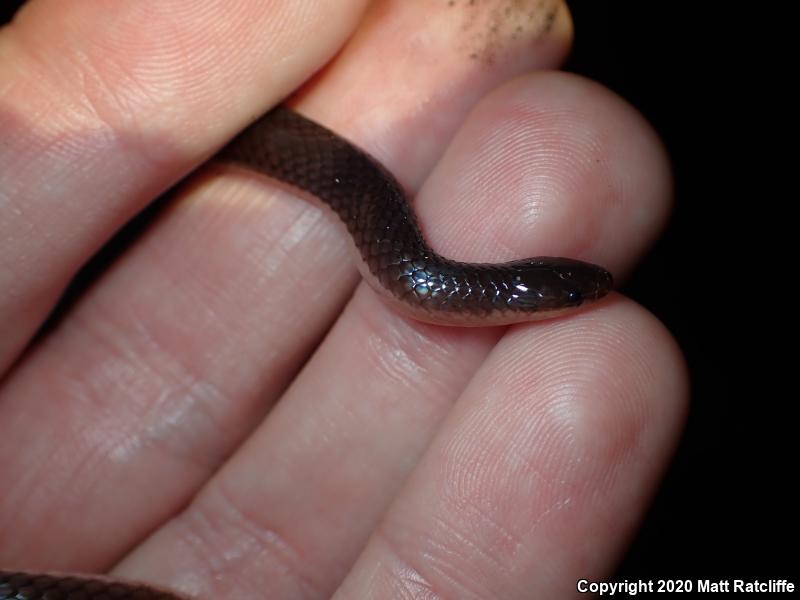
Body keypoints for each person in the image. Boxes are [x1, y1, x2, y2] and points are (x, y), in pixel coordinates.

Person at [0, 1, 685, 597]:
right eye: (567, 294)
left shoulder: (414, 270)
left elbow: (406, 270)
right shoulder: (412, 267)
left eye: (566, 292)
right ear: (530, 296)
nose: (578, 298)